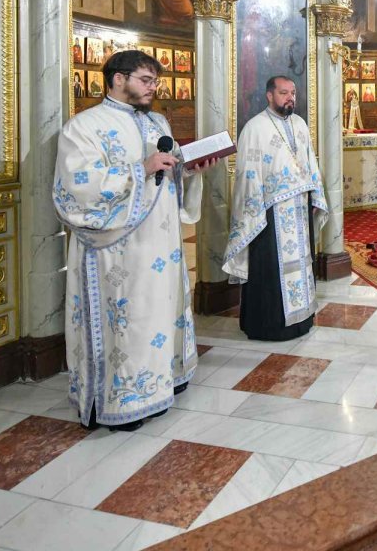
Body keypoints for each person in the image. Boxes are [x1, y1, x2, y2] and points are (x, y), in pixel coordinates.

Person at [53, 50, 216, 432]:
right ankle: (122, 399)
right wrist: (139, 169)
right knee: (131, 321)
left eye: (155, 82)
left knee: (160, 314)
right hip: (120, 252)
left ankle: (163, 383)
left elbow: (168, 173)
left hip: (163, 247)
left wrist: (190, 171)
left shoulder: (156, 122)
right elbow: (76, 187)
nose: (153, 88)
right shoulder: (84, 127)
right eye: (146, 80)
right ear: (118, 79)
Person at [224, 76, 327, 341]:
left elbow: (309, 161)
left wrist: (316, 194)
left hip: (299, 210)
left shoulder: (300, 124)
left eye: (293, 92)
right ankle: (269, 325)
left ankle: (301, 320)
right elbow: (248, 174)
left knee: (302, 264)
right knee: (269, 269)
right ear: (270, 95)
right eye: (284, 93)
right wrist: (253, 210)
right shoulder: (255, 128)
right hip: (268, 212)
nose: (290, 97)